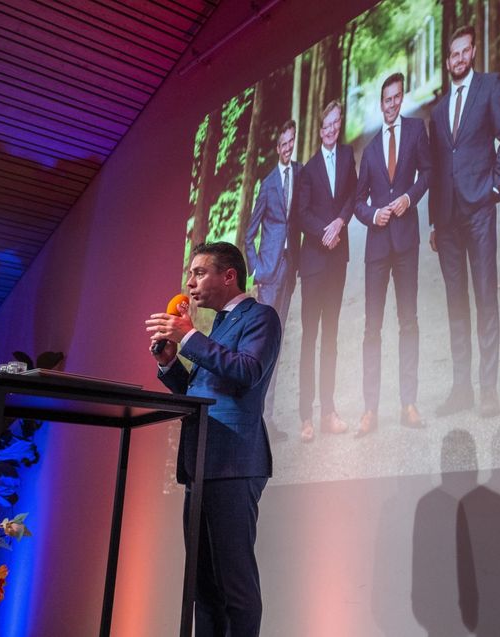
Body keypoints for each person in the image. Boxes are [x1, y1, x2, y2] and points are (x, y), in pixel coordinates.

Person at [146, 241, 280, 637]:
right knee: (203, 587)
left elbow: (246, 371)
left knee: (235, 585)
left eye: (198, 272)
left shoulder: (261, 317)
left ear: (229, 275)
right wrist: (170, 361)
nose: (189, 283)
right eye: (189, 274)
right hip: (201, 462)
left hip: (234, 463)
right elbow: (201, 390)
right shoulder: (218, 326)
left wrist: (188, 337)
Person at [428, 25, 500, 419]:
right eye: (454, 54)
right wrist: (432, 222)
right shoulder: (437, 109)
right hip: (446, 220)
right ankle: (461, 389)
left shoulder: (489, 87)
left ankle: (488, 390)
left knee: (485, 297)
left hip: (480, 210)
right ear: (447, 61)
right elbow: (435, 169)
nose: (459, 58)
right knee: (456, 305)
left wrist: (495, 187)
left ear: (473, 52)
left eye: (465, 51)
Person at [353, 72, 431, 436]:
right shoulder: (369, 150)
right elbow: (356, 201)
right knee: (372, 328)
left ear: (402, 98)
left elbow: (428, 173)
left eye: (397, 97)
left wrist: (408, 198)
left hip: (406, 244)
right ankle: (370, 410)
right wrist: (372, 214)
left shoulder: (416, 131)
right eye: (387, 99)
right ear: (380, 102)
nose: (392, 103)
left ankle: (408, 404)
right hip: (376, 249)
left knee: (409, 322)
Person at [295, 100, 356, 442]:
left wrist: (340, 222)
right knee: (309, 338)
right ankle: (306, 417)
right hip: (315, 263)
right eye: (326, 125)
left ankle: (329, 411)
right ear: (319, 130)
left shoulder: (347, 156)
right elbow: (301, 214)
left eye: (336, 123)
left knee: (330, 337)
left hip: (338, 261)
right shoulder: (309, 168)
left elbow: (352, 195)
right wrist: (324, 232)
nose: (331, 129)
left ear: (339, 124)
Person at [244, 119, 301, 441]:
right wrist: (258, 268)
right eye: (284, 143)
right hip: (269, 275)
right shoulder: (267, 185)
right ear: (277, 147)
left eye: (292, 141)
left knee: (277, 347)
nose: (289, 147)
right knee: (262, 348)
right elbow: (249, 233)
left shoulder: (299, 174)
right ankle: (253, 417)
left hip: (289, 272)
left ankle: (267, 420)